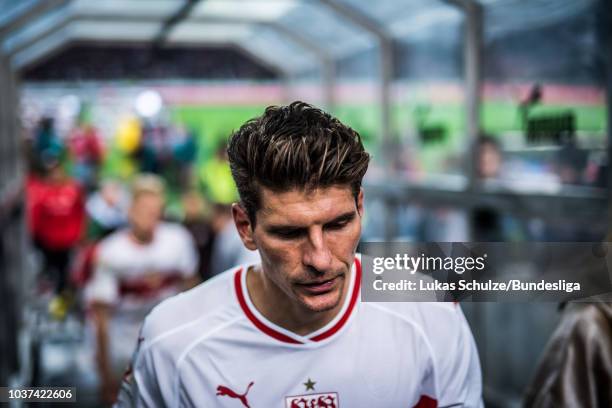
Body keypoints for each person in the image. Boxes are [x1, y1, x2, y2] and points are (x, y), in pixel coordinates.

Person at [117, 102, 482, 407]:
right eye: (289, 233)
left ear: (360, 208)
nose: (320, 259)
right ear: (246, 227)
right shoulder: (173, 341)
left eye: (338, 225)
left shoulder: (431, 311)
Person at [84, 174, 199, 404]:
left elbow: (193, 290)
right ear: (131, 210)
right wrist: (105, 373)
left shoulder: (177, 241)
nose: (149, 216)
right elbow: (101, 315)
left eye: (154, 210)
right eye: (144, 209)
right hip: (124, 343)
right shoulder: (111, 251)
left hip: (169, 339)